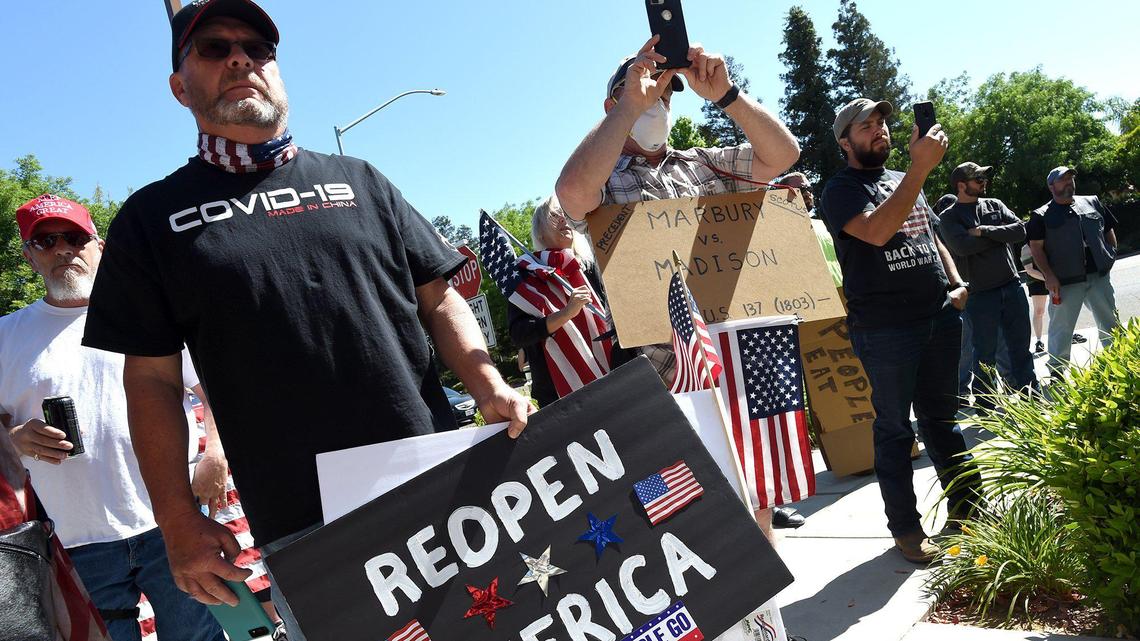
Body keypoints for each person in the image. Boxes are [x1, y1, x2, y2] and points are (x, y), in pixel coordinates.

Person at [79, 1, 531, 637]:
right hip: (306, 523)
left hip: (444, 473)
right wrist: (178, 520)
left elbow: (439, 298)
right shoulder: (150, 220)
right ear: (180, 88)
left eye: (258, 48)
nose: (240, 57)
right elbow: (150, 382)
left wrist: (490, 385)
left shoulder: (362, 179)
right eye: (212, 47)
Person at [554, 35, 800, 537]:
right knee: (674, 519)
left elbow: (783, 155)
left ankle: (763, 613)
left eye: (666, 96)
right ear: (612, 103)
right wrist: (629, 106)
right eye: (646, 92)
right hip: (655, 381)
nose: (657, 104)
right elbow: (572, 195)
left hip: (727, 369)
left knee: (751, 502)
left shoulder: (703, 164)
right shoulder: (603, 179)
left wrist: (727, 96)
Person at [0, 194, 226, 641]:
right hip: (74, 536)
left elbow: (211, 390)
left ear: (98, 246)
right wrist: (14, 438)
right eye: (45, 241)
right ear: (29, 256)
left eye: (74, 237)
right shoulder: (6, 335)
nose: (62, 249)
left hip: (170, 520)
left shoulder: (148, 312)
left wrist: (216, 453)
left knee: (197, 635)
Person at [818, 98, 979, 564]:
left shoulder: (900, 179)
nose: (879, 131)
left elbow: (928, 231)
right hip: (886, 330)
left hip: (939, 317)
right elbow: (876, 231)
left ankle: (970, 515)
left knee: (943, 424)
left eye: (882, 123)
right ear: (845, 142)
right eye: (865, 127)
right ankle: (907, 530)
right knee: (893, 430)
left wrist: (955, 281)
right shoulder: (840, 189)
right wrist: (920, 169)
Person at [508, 196, 635, 408]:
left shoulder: (590, 266)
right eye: (555, 216)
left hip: (617, 372)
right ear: (539, 232)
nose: (563, 220)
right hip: (560, 394)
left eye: (565, 215)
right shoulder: (527, 274)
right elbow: (519, 333)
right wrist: (566, 313)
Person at [938, 162, 1036, 405]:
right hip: (981, 296)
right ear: (962, 185)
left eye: (983, 179)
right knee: (985, 355)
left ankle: (1030, 397)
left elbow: (1020, 231)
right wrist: (1000, 235)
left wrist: (983, 231)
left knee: (1021, 347)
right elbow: (961, 247)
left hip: (1012, 287)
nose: (984, 183)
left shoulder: (994, 205)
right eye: (978, 180)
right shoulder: (949, 218)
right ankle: (987, 405)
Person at [1026, 166, 1119, 373]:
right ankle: (1058, 377)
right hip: (1065, 282)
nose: (1069, 182)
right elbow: (1036, 248)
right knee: (1061, 331)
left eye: (1071, 178)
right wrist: (1048, 276)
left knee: (1111, 324)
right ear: (1051, 186)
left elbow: (1108, 230)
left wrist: (1110, 255)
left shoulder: (1092, 202)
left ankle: (1119, 368)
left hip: (1098, 277)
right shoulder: (1040, 215)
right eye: (1063, 180)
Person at [1020, 243, 1049, 355]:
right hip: (1036, 281)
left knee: (1060, 308)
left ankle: (1066, 335)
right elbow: (1030, 270)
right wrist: (1049, 278)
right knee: (1039, 311)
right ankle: (1039, 340)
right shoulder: (1026, 249)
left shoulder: (1048, 241)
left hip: (1054, 277)